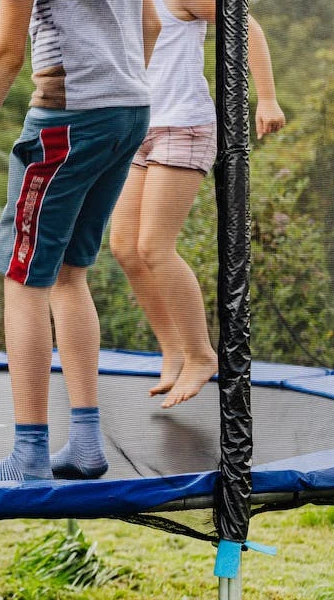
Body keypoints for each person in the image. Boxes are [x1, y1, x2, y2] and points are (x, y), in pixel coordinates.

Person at [0, 0, 160, 481]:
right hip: (129, 111)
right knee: (70, 274)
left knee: (23, 274)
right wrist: (115, 86)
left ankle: (29, 454)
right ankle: (87, 443)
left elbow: (6, 53)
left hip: (68, 119)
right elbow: (151, 23)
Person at [109, 0, 285, 409]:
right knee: (123, 246)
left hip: (183, 126)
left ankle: (202, 353)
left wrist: (268, 98)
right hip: (137, 125)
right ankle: (173, 349)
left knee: (154, 247)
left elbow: (247, 26)